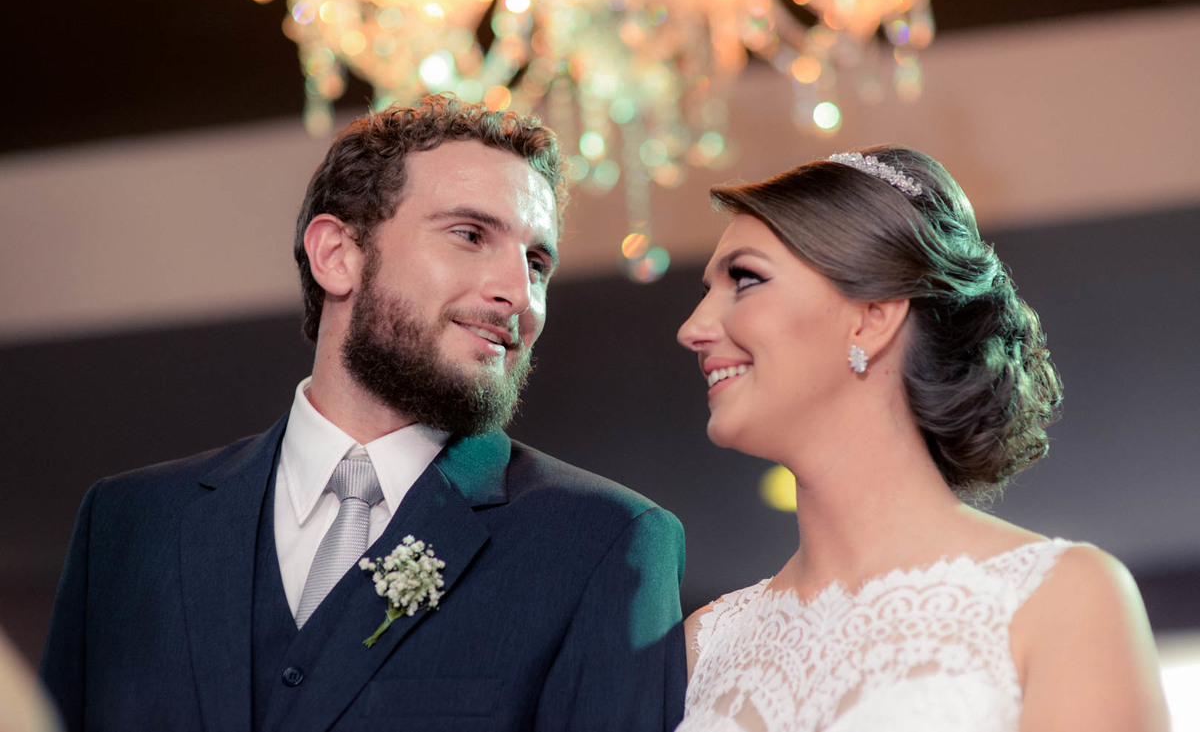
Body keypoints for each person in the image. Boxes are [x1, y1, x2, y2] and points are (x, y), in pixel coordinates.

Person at [39, 95, 686, 731]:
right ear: (337, 255)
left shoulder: (605, 541)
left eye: (537, 262)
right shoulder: (128, 525)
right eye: (470, 234)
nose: (518, 294)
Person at [674, 146, 1169, 731]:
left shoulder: (1060, 600)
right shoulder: (705, 645)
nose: (693, 330)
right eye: (705, 292)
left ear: (873, 315)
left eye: (746, 279)